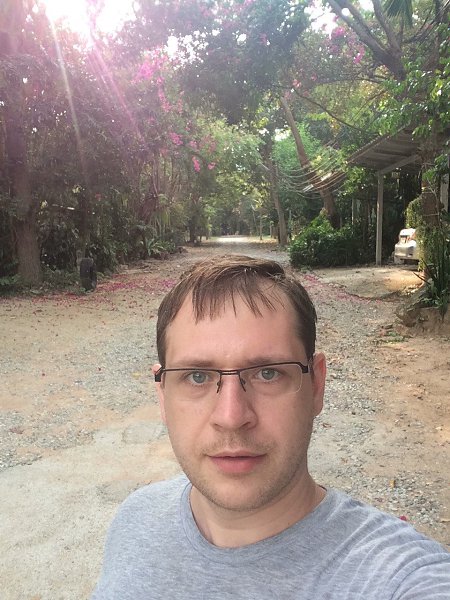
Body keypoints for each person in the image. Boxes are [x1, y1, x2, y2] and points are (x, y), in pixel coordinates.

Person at [91, 255, 450, 599]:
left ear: (316, 386)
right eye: (197, 376)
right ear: (163, 395)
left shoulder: (399, 577)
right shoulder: (134, 520)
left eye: (267, 374)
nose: (231, 417)